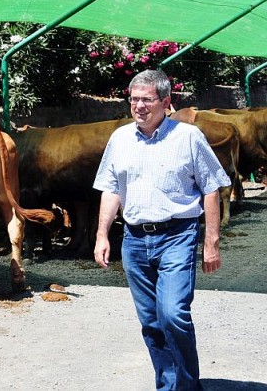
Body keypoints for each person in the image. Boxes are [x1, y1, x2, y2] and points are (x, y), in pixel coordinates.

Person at [93, 69, 230, 391]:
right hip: (134, 240)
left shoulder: (188, 137)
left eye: (147, 100)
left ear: (166, 102)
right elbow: (111, 188)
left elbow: (211, 188)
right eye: (134, 100)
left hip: (177, 236)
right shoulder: (120, 139)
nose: (139, 106)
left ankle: (187, 386)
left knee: (172, 314)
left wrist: (211, 242)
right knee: (151, 322)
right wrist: (101, 235)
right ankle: (168, 386)